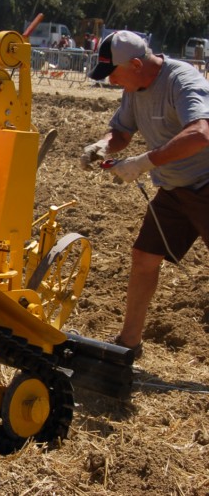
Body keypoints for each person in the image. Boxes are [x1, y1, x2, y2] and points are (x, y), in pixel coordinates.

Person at [80, 30, 209, 359]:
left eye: (114, 74)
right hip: (175, 189)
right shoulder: (134, 88)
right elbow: (122, 132)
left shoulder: (182, 80)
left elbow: (200, 133)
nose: (110, 82)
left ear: (136, 64)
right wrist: (103, 145)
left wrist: (143, 162)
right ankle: (128, 343)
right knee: (144, 259)